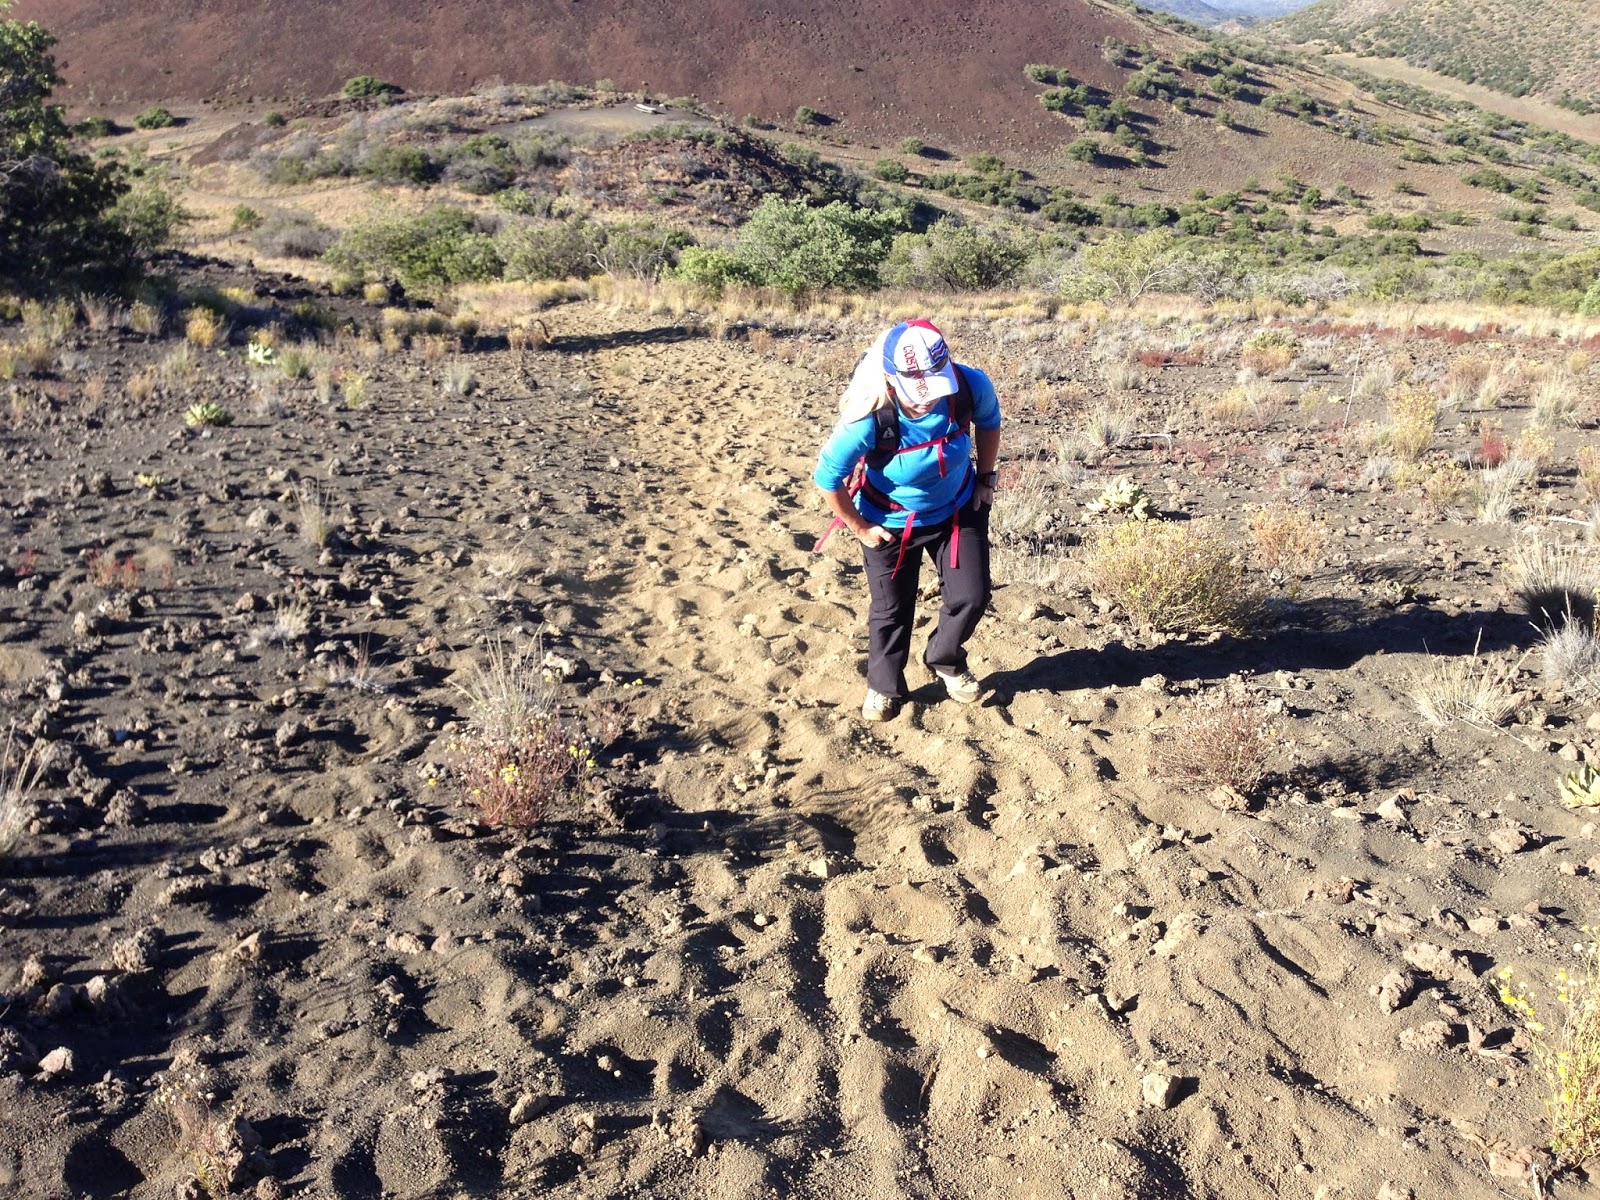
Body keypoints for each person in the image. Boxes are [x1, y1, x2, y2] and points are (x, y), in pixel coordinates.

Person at [813, 319, 1003, 722]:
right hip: (890, 522)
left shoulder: (969, 386)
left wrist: (986, 480)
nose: (927, 401)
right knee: (892, 610)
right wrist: (860, 527)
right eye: (917, 392)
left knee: (972, 596)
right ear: (889, 378)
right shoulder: (870, 417)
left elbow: (989, 423)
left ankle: (944, 657)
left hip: (957, 509)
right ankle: (883, 687)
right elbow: (827, 477)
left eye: (934, 388)